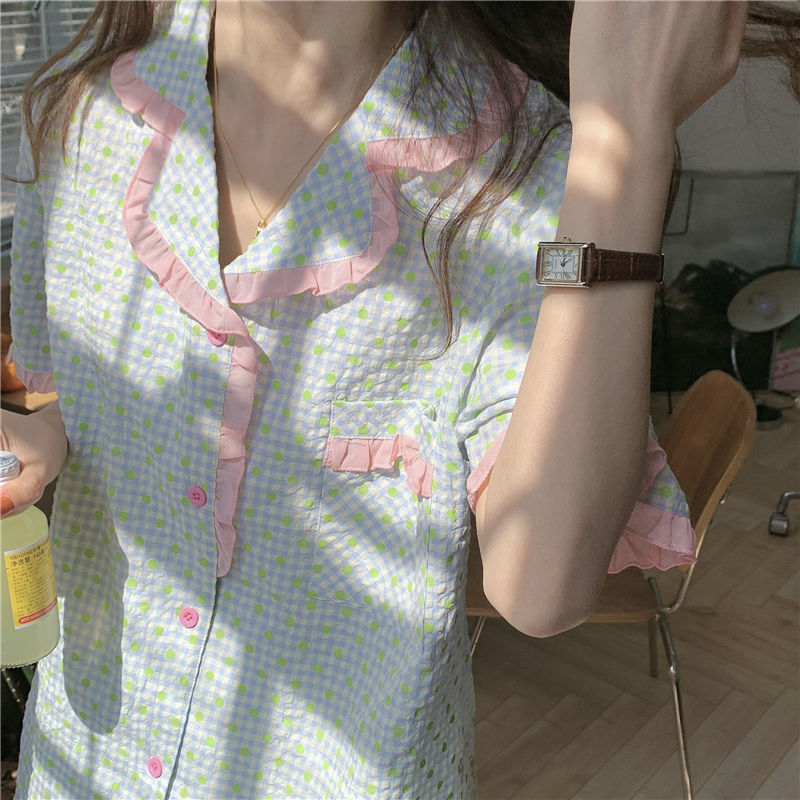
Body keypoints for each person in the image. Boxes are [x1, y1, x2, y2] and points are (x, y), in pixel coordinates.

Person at [0, 1, 765, 797]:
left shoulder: (525, 173)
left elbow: (543, 585)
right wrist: (50, 431)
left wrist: (623, 145)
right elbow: (90, 391)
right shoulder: (79, 113)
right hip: (84, 757)